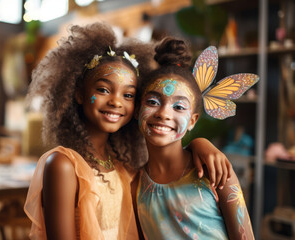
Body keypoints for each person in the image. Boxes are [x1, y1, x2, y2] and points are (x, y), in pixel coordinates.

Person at [24, 22, 232, 240]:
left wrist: (199, 143)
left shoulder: (126, 171)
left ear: (136, 108)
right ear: (78, 94)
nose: (116, 102)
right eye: (103, 90)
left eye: (128, 95)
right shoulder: (63, 165)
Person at [133, 37, 257, 239]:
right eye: (154, 101)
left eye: (179, 107)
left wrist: (199, 143)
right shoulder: (134, 186)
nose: (164, 113)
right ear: (138, 109)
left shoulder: (215, 172)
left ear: (192, 121)